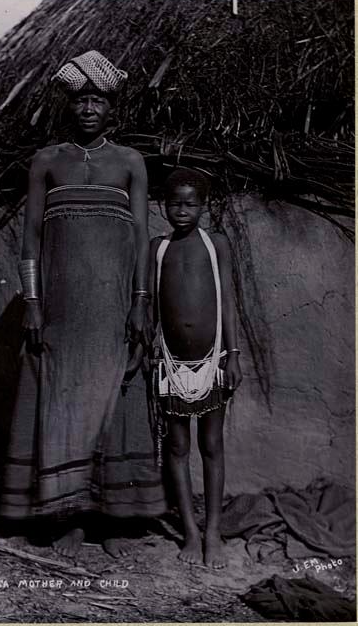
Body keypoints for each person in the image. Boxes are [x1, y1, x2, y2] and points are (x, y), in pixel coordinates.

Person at [0, 51, 166, 558]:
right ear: (70, 105)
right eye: (81, 99)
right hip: (61, 312)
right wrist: (31, 302)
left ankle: (113, 518)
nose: (89, 108)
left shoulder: (130, 162)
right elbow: (29, 237)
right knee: (62, 403)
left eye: (98, 100)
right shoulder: (47, 160)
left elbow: (140, 239)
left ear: (111, 107)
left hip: (113, 308)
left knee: (116, 403)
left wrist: (140, 302)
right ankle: (67, 517)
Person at [150, 169, 242, 568]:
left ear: (203, 206)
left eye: (190, 204)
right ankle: (189, 533)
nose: (181, 211)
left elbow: (228, 301)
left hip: (213, 359)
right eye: (174, 203)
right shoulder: (157, 248)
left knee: (212, 445)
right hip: (171, 363)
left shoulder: (215, 243)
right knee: (176, 446)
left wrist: (233, 353)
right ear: (163, 205)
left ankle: (213, 533)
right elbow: (151, 303)